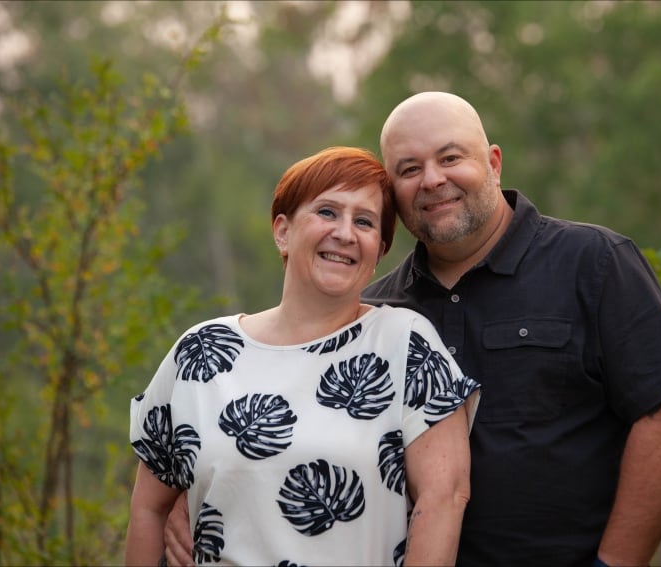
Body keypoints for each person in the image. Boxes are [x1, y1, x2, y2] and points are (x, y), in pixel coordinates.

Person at [164, 93, 661, 566]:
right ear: (394, 196)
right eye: (408, 168)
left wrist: (614, 563)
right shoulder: (372, 315)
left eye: (451, 158)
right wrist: (192, 501)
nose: (432, 180)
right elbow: (286, 432)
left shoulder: (591, 262)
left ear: (493, 161)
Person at [124, 146, 481, 567]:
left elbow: (444, 498)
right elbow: (149, 509)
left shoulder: (405, 344)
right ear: (282, 231)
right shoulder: (201, 353)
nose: (345, 233)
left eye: (364, 222)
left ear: (379, 250)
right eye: (327, 212)